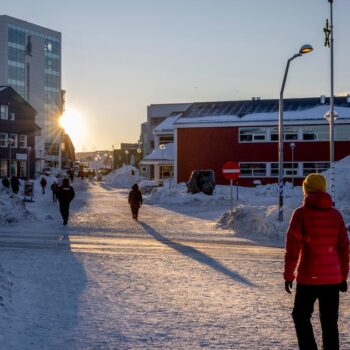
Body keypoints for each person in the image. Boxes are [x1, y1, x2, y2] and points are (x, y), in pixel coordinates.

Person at [284, 173, 349, 350]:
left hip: (308, 278)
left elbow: (293, 249)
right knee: (329, 322)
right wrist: (343, 276)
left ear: (306, 190)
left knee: (300, 316)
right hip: (333, 279)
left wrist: (289, 275)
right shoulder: (336, 215)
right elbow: (344, 248)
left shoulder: (301, 214)